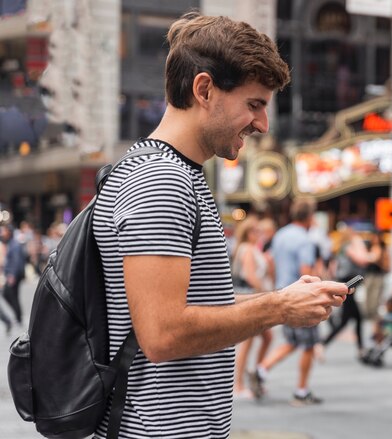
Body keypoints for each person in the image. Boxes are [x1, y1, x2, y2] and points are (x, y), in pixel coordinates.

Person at [92, 13, 349, 438]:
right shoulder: (162, 181)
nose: (263, 124)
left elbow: (192, 301)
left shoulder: (170, 171)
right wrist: (278, 308)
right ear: (205, 89)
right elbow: (162, 334)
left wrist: (283, 297)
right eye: (254, 104)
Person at [250, 198, 327, 406]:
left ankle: (261, 369)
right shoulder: (305, 240)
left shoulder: (281, 234)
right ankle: (301, 391)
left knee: (292, 341)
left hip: (282, 292)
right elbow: (306, 272)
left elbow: (272, 263)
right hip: (301, 297)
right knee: (308, 345)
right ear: (310, 216)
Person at [231, 216, 274, 399]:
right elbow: (250, 276)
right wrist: (266, 293)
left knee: (265, 337)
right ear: (248, 233)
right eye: (256, 231)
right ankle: (238, 384)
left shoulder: (248, 248)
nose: (260, 234)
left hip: (250, 296)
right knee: (248, 341)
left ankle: (253, 375)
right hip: (251, 297)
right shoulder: (248, 249)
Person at [322, 225, 371, 360]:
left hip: (345, 282)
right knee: (348, 320)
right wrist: (360, 245)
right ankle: (322, 344)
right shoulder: (349, 246)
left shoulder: (341, 247)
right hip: (348, 284)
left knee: (354, 318)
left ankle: (360, 348)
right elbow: (363, 260)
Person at [2, 224, 26, 327]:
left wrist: (12, 275)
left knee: (9, 294)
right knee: (13, 295)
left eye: (5, 231)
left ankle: (19, 316)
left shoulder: (14, 244)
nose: (3, 233)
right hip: (14, 274)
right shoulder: (12, 243)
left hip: (14, 275)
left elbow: (16, 261)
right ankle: (18, 317)